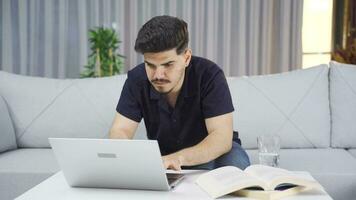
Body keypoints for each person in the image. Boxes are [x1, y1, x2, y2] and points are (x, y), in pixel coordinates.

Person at [109, 15, 250, 171]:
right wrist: (127, 155)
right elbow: (120, 130)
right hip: (164, 156)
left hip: (215, 153)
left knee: (236, 166)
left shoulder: (209, 74)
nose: (158, 75)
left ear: (186, 58)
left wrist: (177, 159)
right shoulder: (137, 79)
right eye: (150, 65)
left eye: (168, 64)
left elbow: (221, 138)